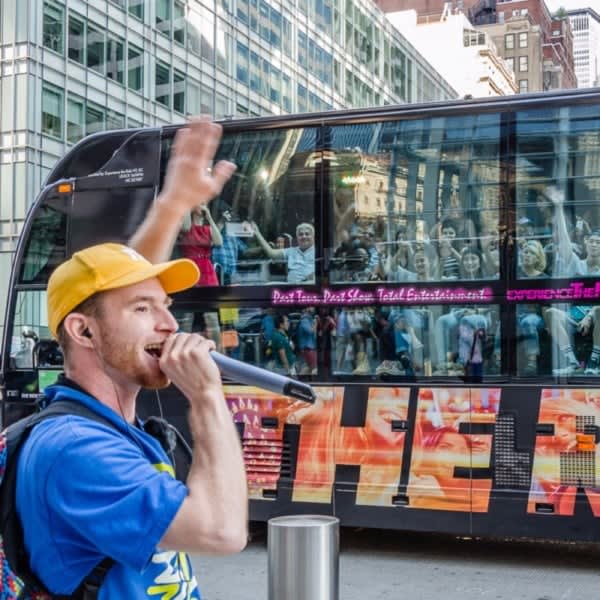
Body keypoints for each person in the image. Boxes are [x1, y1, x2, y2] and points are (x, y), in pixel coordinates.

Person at [17, 118, 247, 597]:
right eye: (146, 309)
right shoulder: (74, 447)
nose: (168, 324)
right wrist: (206, 397)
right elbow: (222, 531)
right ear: (82, 333)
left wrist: (173, 206)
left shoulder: (110, 421)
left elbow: (114, 306)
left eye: (167, 307)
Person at [180, 204, 223, 286]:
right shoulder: (188, 227)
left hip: (207, 268)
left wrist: (209, 218)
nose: (203, 206)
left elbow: (219, 242)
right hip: (191, 266)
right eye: (201, 203)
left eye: (205, 205)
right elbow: (185, 227)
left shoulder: (208, 229)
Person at [211, 207, 248, 285]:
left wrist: (263, 248)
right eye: (228, 218)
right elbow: (211, 240)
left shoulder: (232, 236)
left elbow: (246, 251)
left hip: (231, 277)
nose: (231, 221)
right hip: (216, 274)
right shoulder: (212, 232)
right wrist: (222, 221)